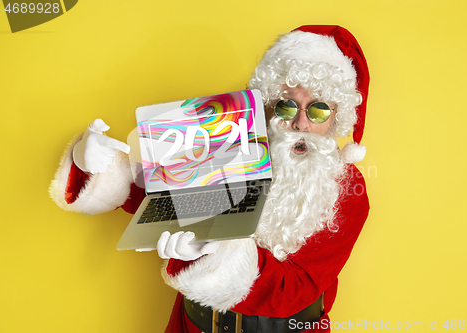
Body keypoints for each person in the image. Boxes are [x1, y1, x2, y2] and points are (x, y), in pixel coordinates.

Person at [50, 25, 370, 333]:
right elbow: (158, 198)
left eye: (317, 111)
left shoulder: (346, 189)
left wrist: (213, 252)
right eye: (287, 106)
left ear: (336, 117)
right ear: (270, 107)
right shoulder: (226, 144)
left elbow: (294, 290)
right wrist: (96, 166)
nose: (300, 123)